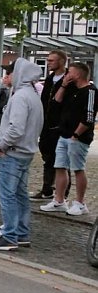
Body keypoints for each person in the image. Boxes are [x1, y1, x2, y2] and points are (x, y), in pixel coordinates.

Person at [0, 58, 43, 251]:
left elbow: (16, 128)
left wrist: (2, 144)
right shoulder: (33, 95)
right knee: (20, 194)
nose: (7, 76)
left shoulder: (20, 97)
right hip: (26, 151)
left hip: (13, 152)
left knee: (8, 195)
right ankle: (21, 232)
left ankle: (9, 235)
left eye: (10, 72)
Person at [39, 62, 98, 216]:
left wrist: (76, 135)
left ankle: (80, 202)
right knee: (60, 166)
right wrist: (63, 86)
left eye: (69, 72)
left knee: (78, 168)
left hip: (78, 137)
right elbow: (56, 103)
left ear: (77, 74)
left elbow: (89, 117)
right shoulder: (71, 90)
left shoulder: (90, 91)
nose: (66, 75)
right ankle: (59, 200)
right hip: (63, 134)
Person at [33, 50, 68, 200]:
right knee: (48, 157)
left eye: (51, 60)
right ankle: (47, 188)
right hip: (47, 125)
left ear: (61, 61)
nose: (48, 63)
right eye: (47, 60)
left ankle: (63, 193)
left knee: (62, 160)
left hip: (60, 125)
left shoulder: (68, 80)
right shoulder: (49, 79)